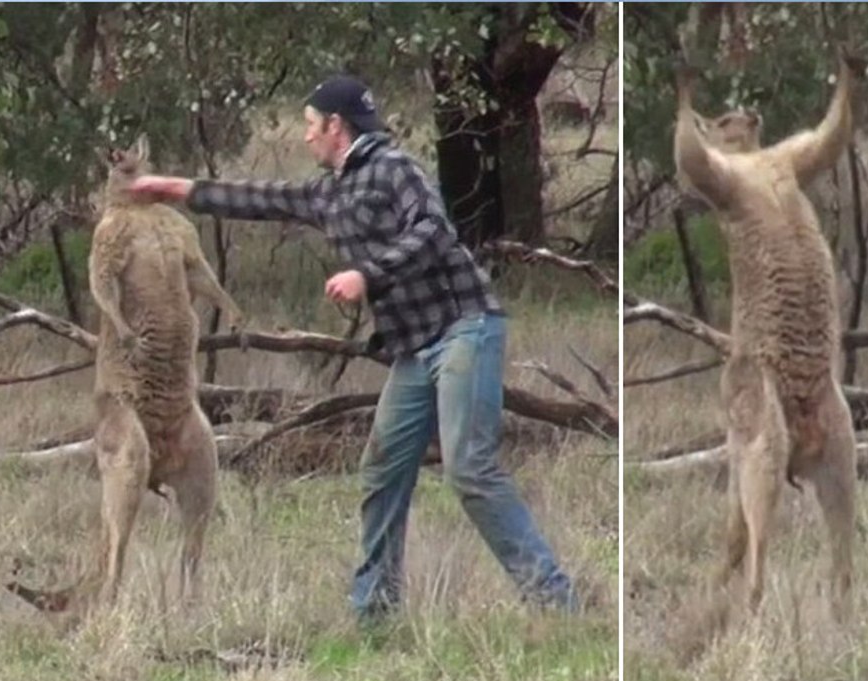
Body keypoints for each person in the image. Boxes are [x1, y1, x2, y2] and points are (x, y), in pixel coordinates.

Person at [129, 73, 579, 620]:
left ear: (336, 127)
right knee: (384, 468)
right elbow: (260, 198)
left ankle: (557, 603)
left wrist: (367, 273)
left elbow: (435, 231)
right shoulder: (330, 191)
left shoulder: (396, 170)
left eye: (310, 126)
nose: (305, 137)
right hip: (413, 349)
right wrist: (174, 189)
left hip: (465, 328)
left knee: (469, 469)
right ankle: (375, 612)